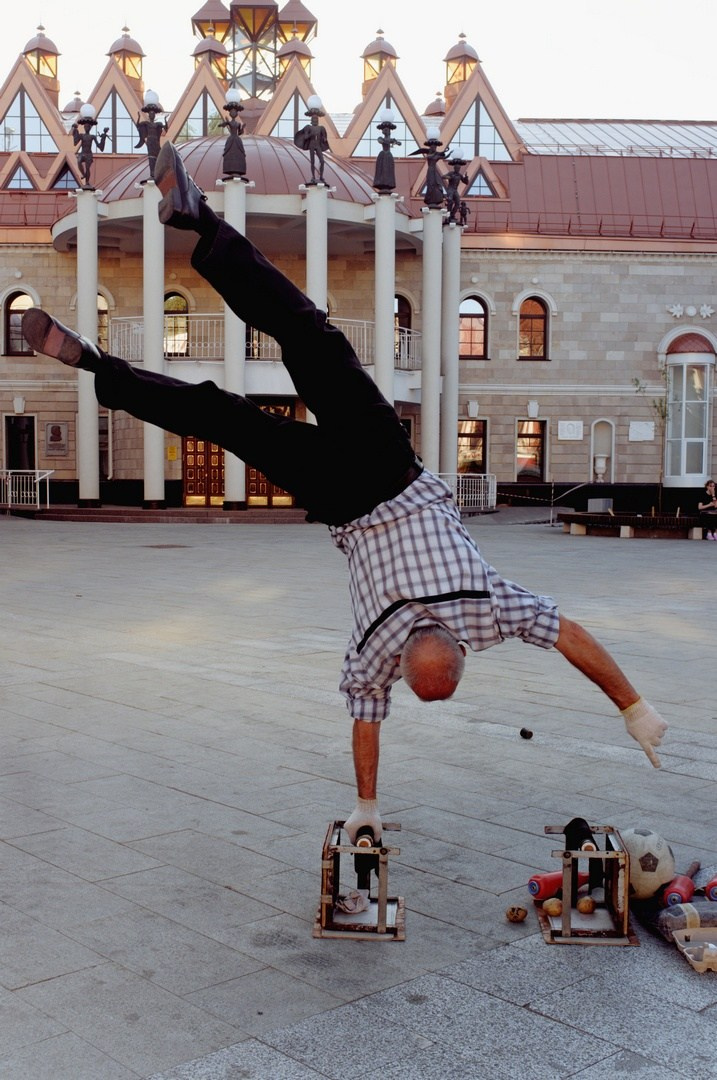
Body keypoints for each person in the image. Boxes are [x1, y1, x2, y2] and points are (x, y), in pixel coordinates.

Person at [22, 142, 668, 850]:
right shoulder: (384, 647)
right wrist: (366, 804)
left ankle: (201, 224)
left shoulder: (483, 611)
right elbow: (371, 718)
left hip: (381, 468)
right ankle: (98, 361)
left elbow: (566, 636)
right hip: (349, 494)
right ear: (450, 648)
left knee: (308, 337)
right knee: (223, 415)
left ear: (452, 644)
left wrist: (634, 704)